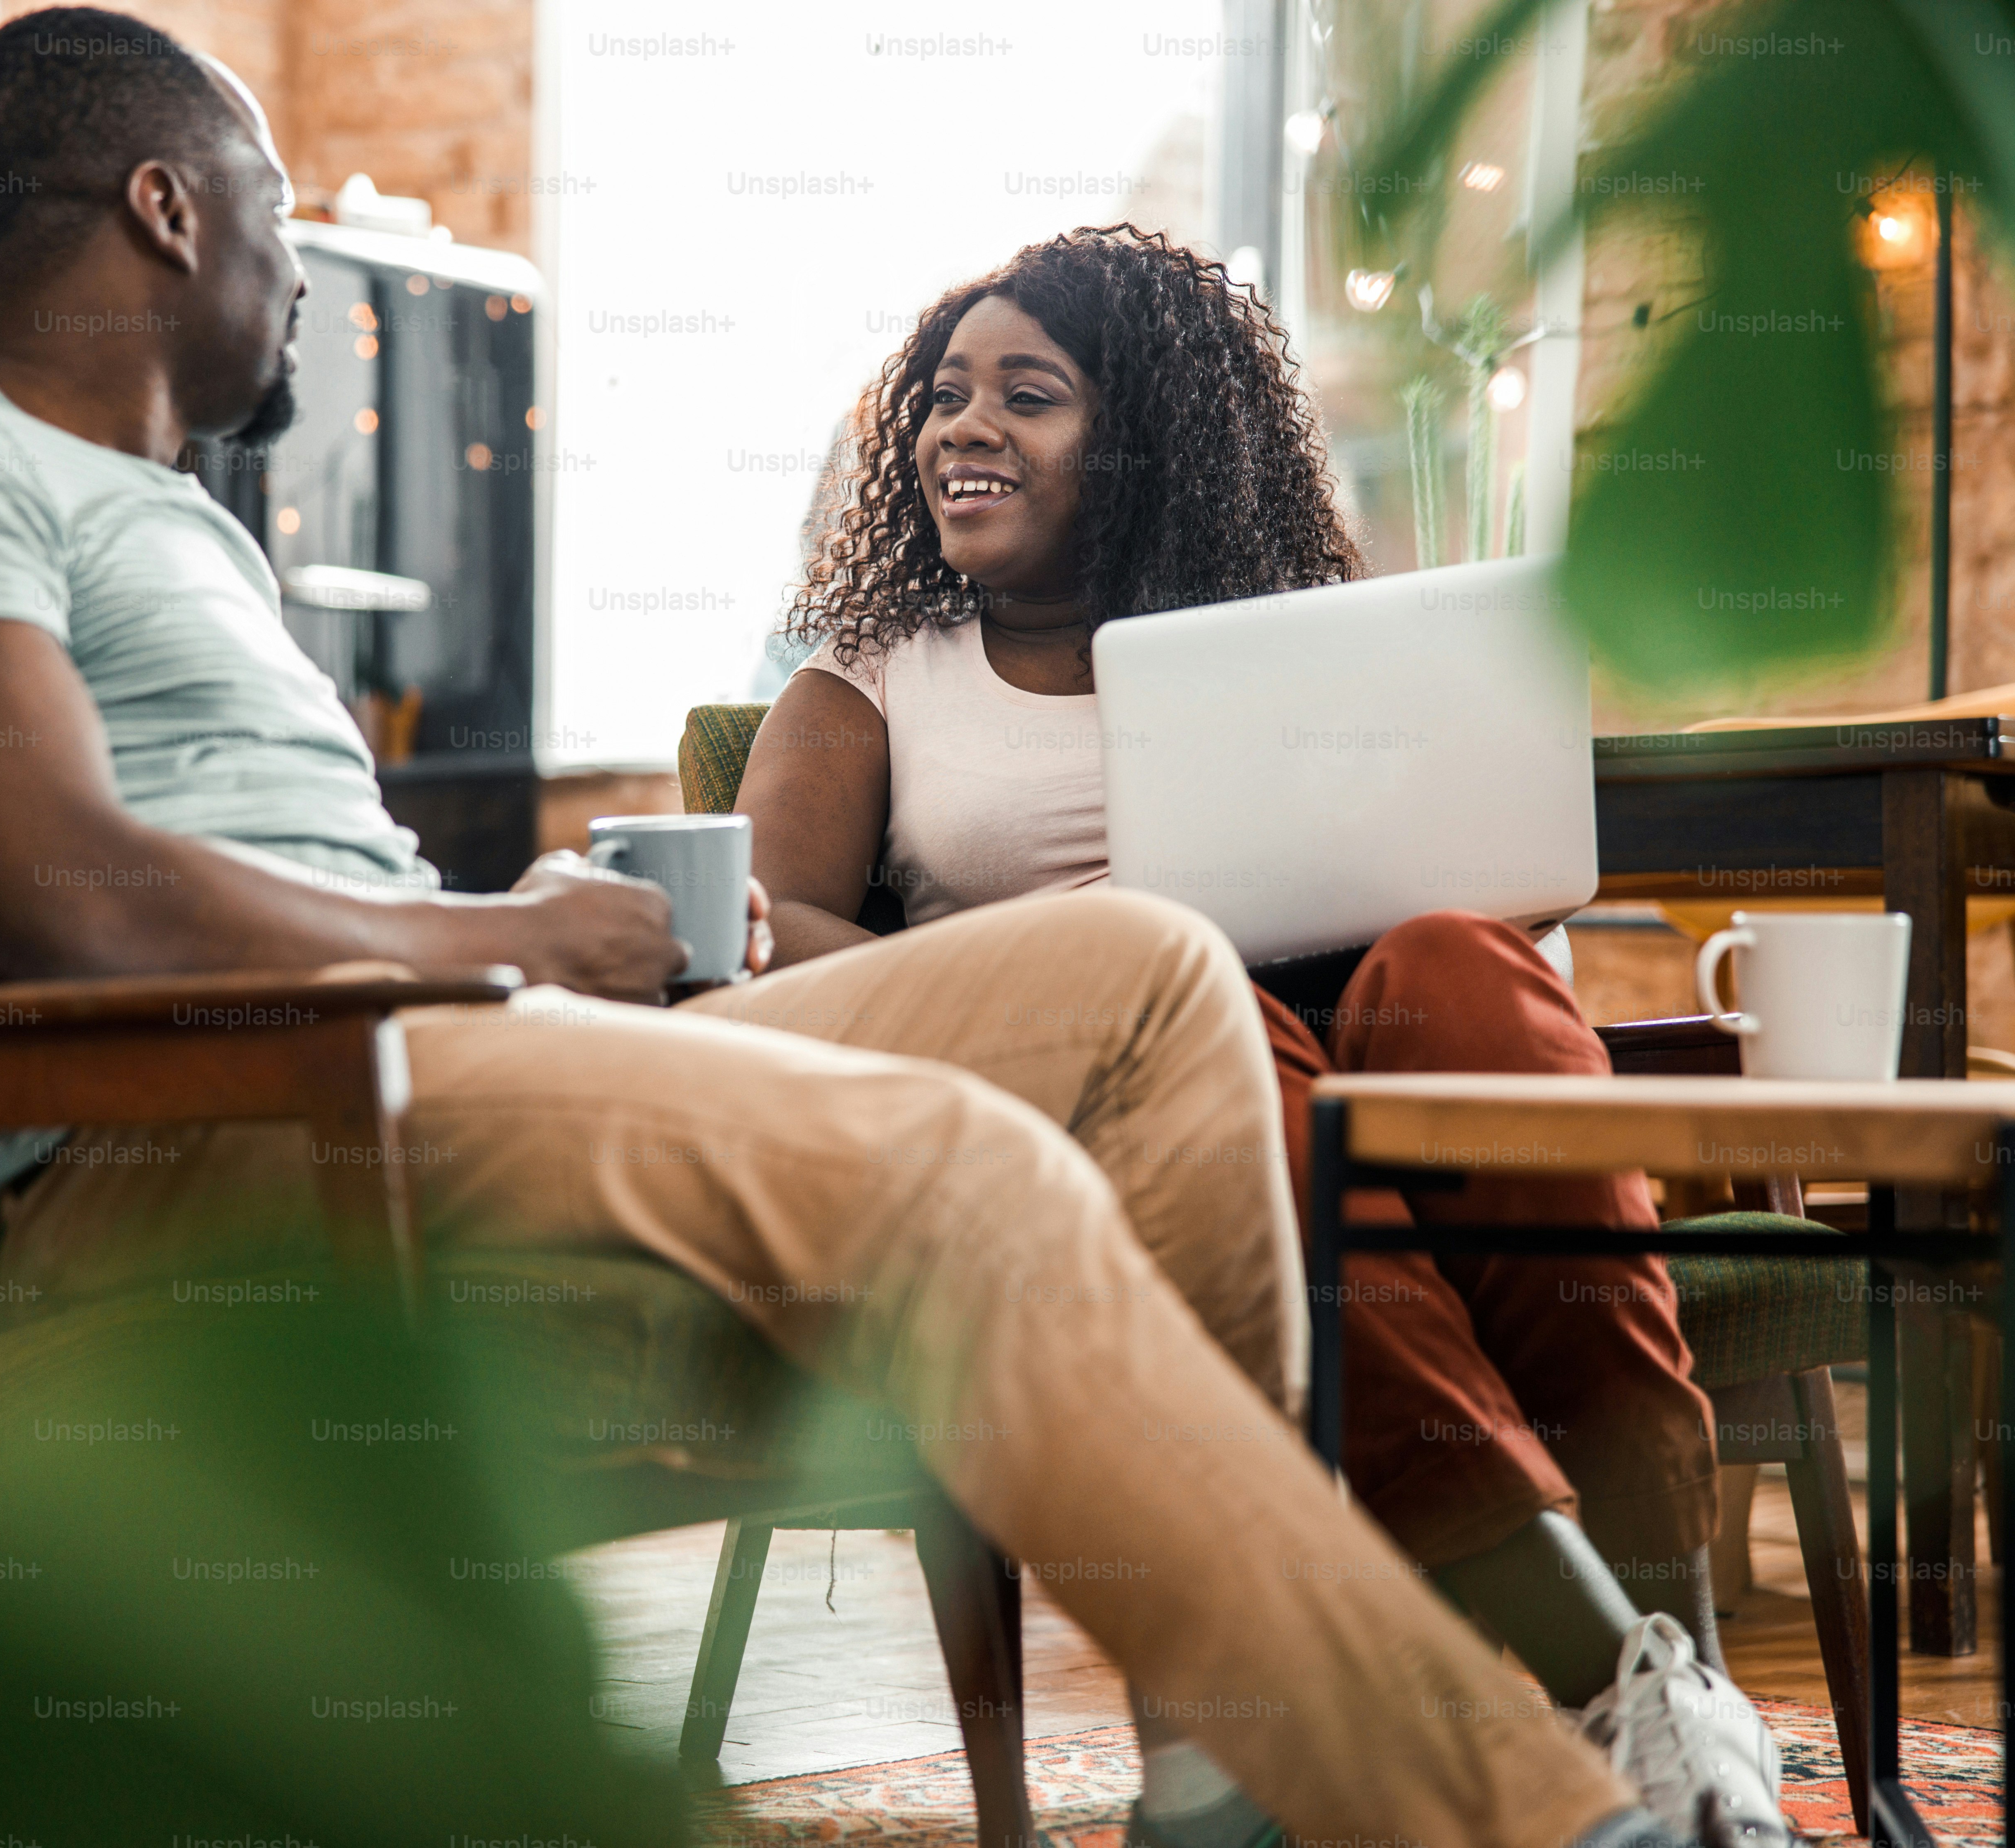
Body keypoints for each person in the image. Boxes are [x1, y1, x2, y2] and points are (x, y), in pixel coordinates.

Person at [0, 14, 1704, 1848]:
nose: (302, 274)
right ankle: (1525, 1813)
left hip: (413, 1051)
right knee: (965, 1165)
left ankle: (1216, 1783)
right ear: (166, 211)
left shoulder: (174, 527)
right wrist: (481, 945)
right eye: (276, 211)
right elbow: (60, 899)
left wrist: (494, 931)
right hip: (192, 1135)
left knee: (1156, 979)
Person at [738, 228, 1791, 1848]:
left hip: (1352, 1029)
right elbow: (757, 931)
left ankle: (1680, 1671)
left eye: (1031, 394)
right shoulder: (875, 675)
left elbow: (1462, 866)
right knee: (1229, 1033)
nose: (964, 425)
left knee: (1470, 967)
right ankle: (1614, 1669)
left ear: (1147, 433)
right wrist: (1050, 963)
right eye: (945, 396)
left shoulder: (1301, 637)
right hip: (1098, 1091)